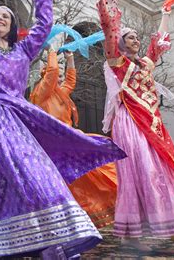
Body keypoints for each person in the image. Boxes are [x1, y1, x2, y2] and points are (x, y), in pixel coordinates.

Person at [0, 0, 126, 258]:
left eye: (5, 15)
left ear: (12, 25)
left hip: (14, 116)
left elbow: (44, 25)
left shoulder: (24, 50)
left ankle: (49, 235)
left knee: (34, 172)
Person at [86, 0, 174, 250]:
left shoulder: (146, 64)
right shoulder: (117, 63)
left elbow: (159, 41)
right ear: (119, 44)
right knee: (139, 172)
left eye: (136, 37)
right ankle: (133, 235)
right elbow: (109, 28)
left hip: (153, 125)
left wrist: (165, 13)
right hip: (130, 122)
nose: (135, 40)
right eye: (129, 37)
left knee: (168, 170)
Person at [30, 46, 118, 228]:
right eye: (56, 76)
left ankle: (83, 216)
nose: (60, 78)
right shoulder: (41, 93)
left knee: (91, 174)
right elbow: (53, 71)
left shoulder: (59, 92)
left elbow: (70, 80)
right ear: (46, 76)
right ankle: (63, 222)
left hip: (68, 141)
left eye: (60, 76)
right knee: (67, 184)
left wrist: (70, 58)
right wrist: (51, 51)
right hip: (53, 147)